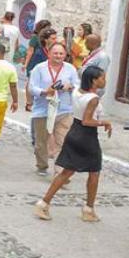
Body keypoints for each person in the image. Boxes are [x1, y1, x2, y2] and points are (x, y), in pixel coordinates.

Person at [34, 66, 112, 221]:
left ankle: (44, 203)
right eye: (102, 78)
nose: (104, 80)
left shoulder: (77, 92)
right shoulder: (93, 99)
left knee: (66, 171)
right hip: (86, 136)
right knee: (94, 171)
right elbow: (87, 120)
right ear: (94, 80)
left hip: (73, 131)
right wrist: (104, 122)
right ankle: (88, 209)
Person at [29, 42, 80, 176]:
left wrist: (71, 87)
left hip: (64, 110)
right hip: (43, 110)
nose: (58, 56)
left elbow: (77, 85)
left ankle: (60, 171)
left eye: (61, 53)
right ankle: (42, 165)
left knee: (62, 141)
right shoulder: (39, 68)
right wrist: (45, 92)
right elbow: (31, 87)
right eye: (55, 53)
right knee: (41, 142)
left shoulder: (70, 69)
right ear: (49, 54)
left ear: (65, 55)